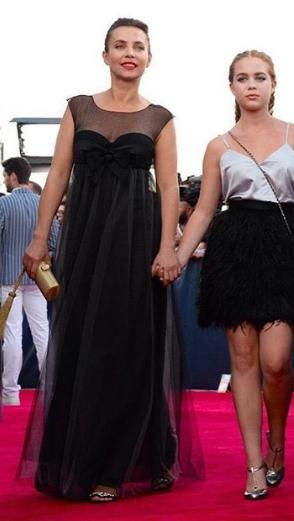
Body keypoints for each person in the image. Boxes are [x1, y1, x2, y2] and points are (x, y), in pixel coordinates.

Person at [19, 17, 203, 501]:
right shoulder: (78, 108)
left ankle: (124, 462)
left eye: (138, 46)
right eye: (120, 45)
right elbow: (58, 174)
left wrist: (167, 246)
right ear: (105, 55)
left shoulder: (160, 118)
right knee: (82, 343)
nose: (129, 53)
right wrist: (40, 236)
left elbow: (169, 190)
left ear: (149, 57)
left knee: (131, 347)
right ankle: (79, 457)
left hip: (136, 244)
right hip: (84, 240)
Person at [175, 50, 294, 500]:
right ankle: (253, 464)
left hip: (284, 246)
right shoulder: (218, 145)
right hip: (234, 249)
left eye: (260, 77)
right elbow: (205, 209)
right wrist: (178, 256)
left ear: (274, 84)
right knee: (244, 361)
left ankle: (277, 442)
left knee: (276, 362)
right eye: (243, 78)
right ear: (231, 86)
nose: (252, 85)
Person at [0, 157, 58, 407]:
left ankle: (11, 394)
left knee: (12, 334)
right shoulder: (43, 204)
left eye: (5, 175)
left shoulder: (3, 205)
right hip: (38, 279)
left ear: (13, 176)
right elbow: (54, 240)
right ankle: (51, 389)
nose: (4, 179)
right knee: (42, 332)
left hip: (8, 279)